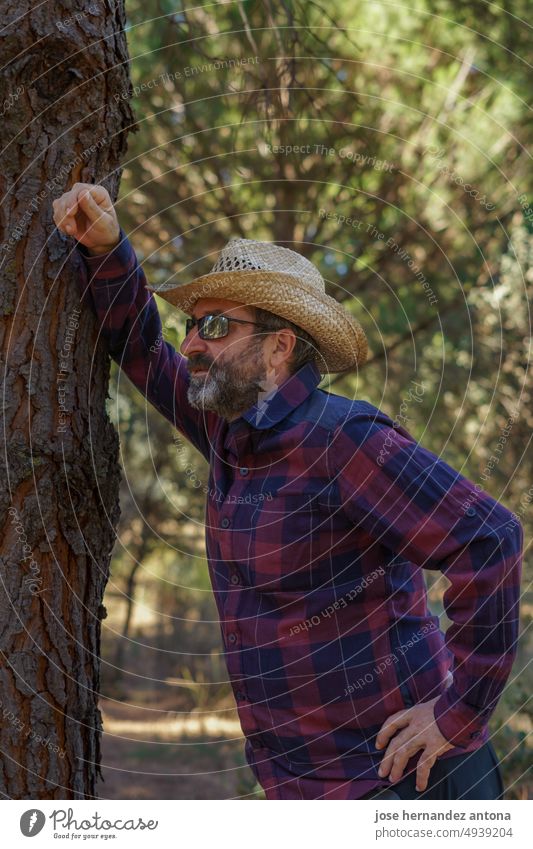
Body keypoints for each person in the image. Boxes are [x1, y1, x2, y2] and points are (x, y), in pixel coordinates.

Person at [52, 183, 523, 800]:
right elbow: (142, 349)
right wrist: (107, 247)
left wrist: (459, 715)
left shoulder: (346, 440)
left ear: (279, 347)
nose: (192, 343)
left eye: (215, 326)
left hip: (405, 786)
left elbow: (490, 539)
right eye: (193, 325)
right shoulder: (228, 430)